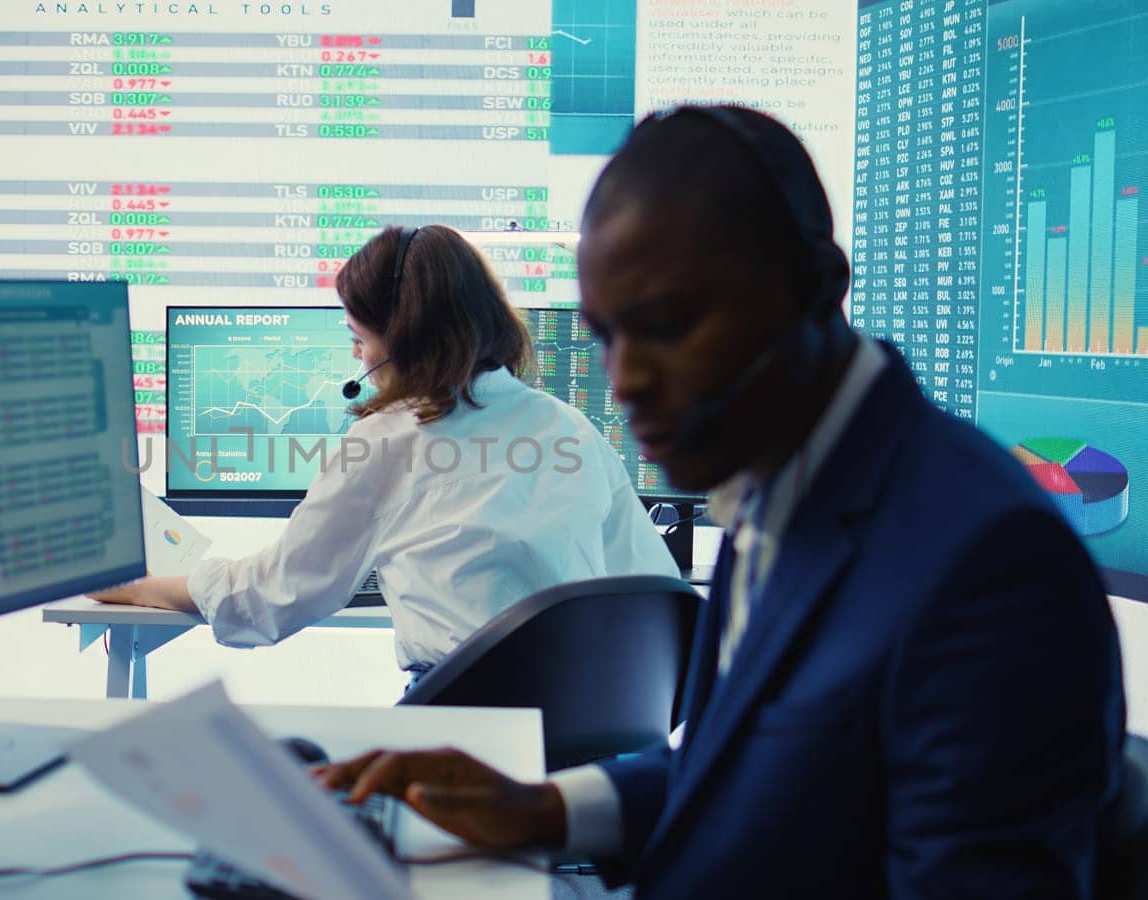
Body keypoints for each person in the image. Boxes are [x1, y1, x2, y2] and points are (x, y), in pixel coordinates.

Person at [315, 106, 1127, 896]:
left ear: (817, 286)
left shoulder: (989, 567)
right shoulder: (780, 482)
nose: (624, 380)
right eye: (606, 335)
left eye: (667, 324)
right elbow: (741, 771)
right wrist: (542, 806)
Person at [94, 224, 678, 682]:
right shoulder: (570, 427)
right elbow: (655, 589)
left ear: (398, 340)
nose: (357, 358)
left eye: (358, 339)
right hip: (590, 731)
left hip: (459, 727)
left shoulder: (389, 438)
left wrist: (148, 585)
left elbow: (274, 596)